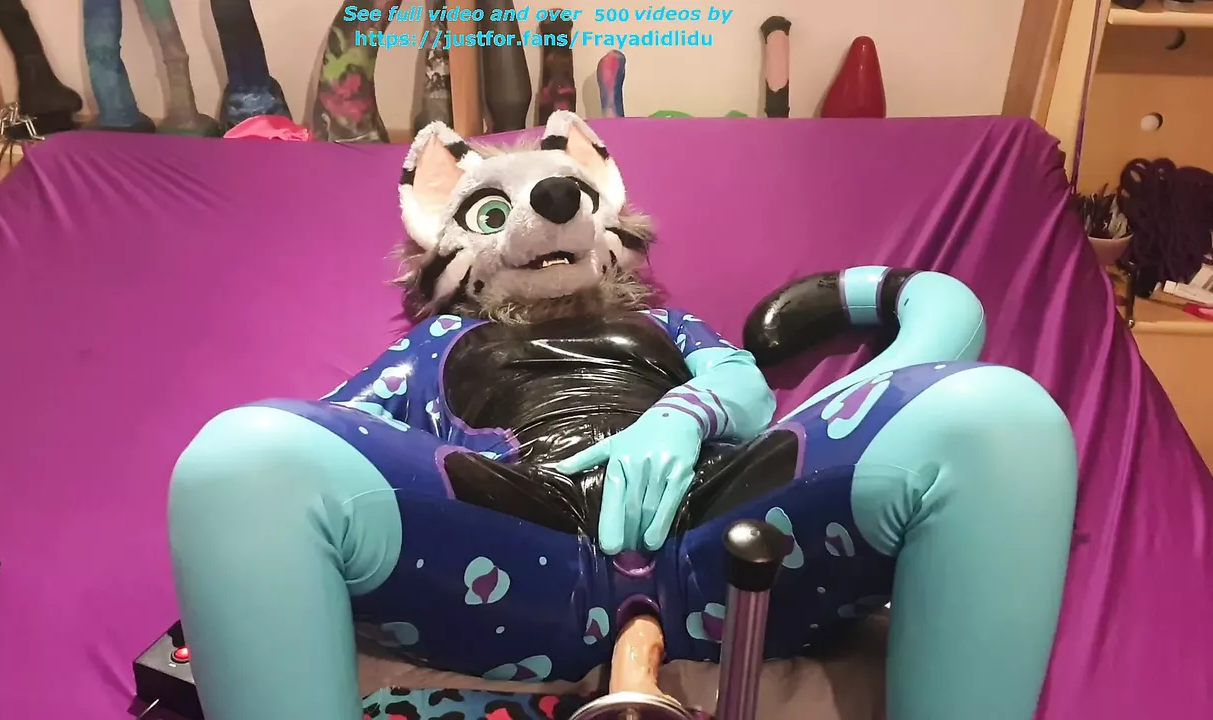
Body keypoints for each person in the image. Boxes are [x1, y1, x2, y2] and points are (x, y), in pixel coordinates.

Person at [168, 111, 1078, 720]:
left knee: (998, 417)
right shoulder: (436, 342)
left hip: (718, 539)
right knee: (242, 461)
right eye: (494, 209)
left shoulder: (666, 327)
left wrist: (683, 414)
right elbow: (334, 436)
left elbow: (746, 386)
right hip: (512, 545)